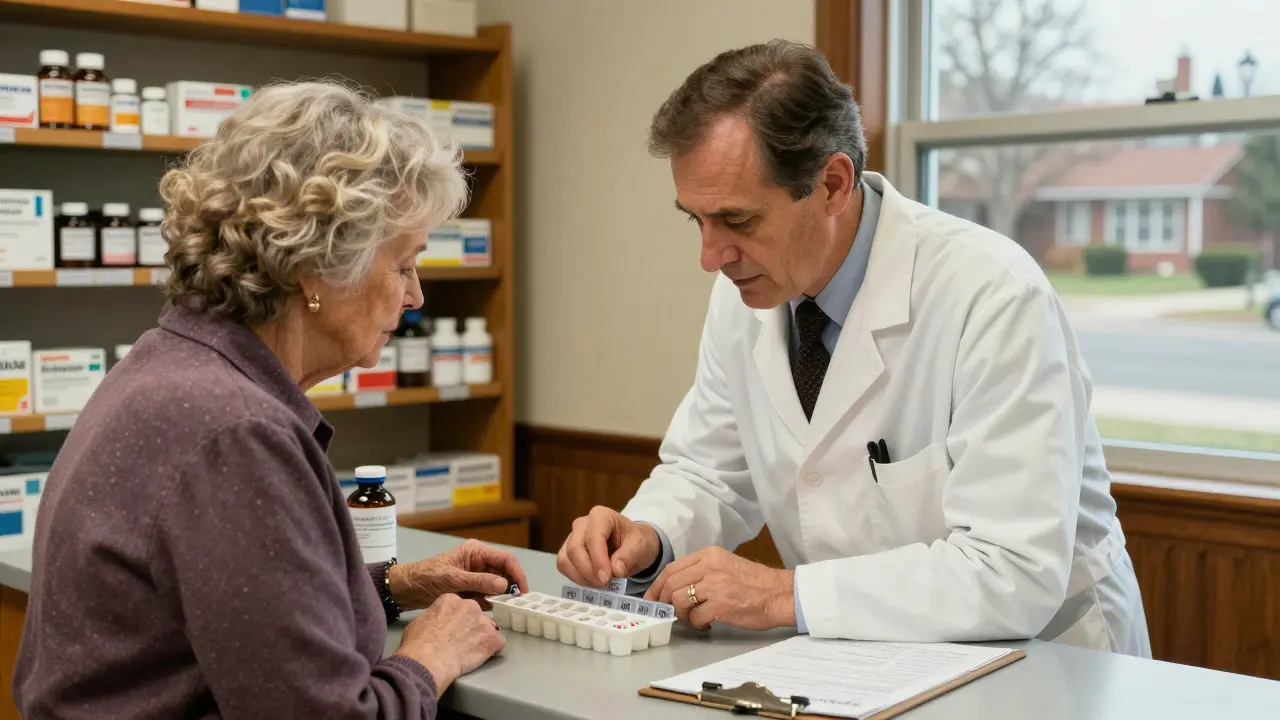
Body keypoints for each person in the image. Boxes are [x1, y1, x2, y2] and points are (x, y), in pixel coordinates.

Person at [557, 40, 1151, 657]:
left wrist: (781, 596)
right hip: (865, 658)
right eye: (696, 220)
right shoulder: (748, 293)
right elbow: (711, 471)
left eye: (738, 220)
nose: (711, 257)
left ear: (834, 184)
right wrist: (649, 533)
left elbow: (1013, 570)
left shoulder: (994, 294)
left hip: (1044, 660)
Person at [14, 81, 522, 718]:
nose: (415, 297)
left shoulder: (176, 364)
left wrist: (395, 585)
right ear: (318, 268)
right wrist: (430, 658)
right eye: (403, 265)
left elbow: (235, 603)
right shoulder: (232, 430)